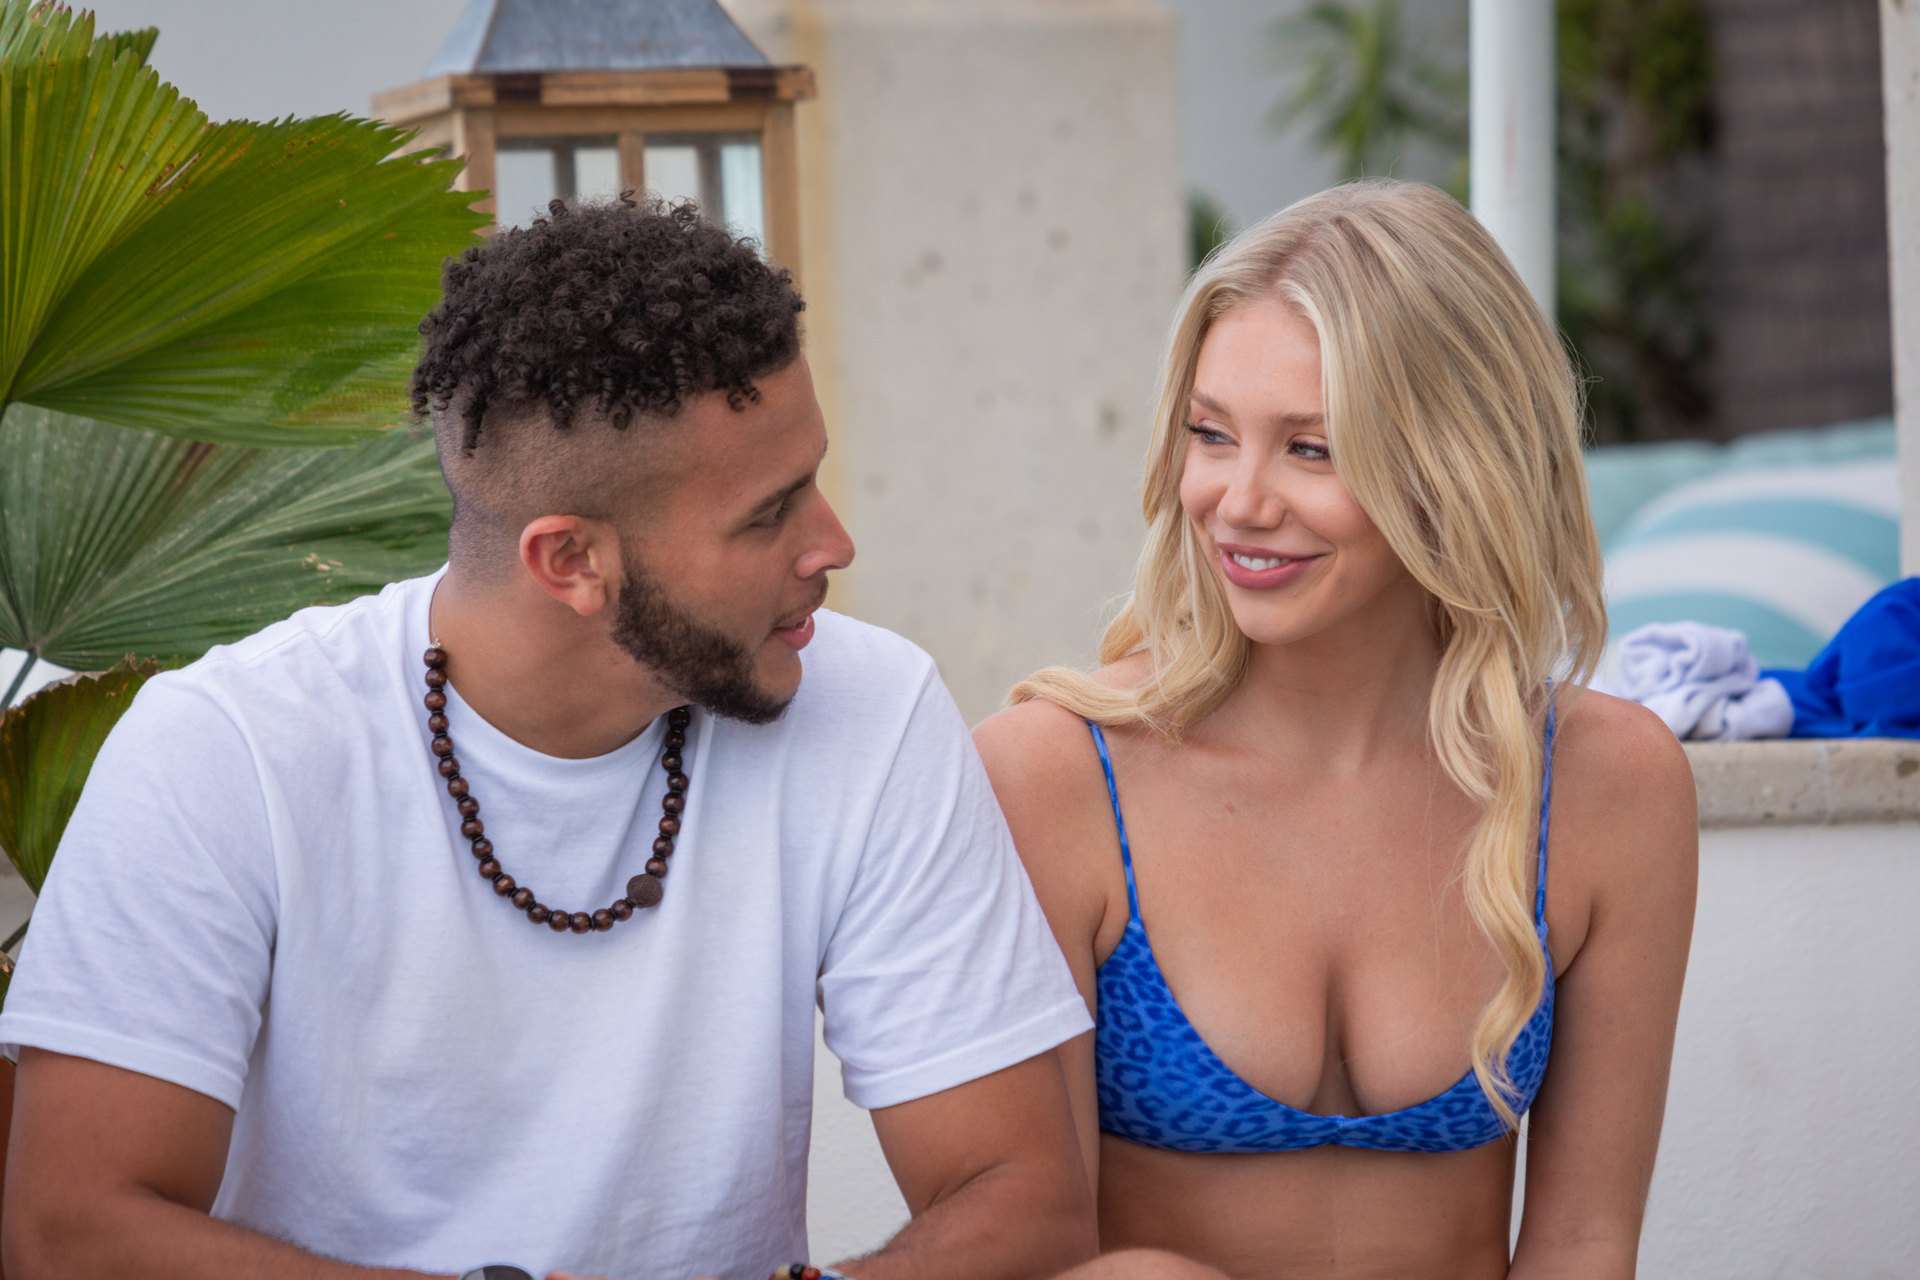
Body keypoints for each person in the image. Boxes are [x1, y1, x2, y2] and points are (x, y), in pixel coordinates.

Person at [0, 198, 1096, 1280]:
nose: (833, 543)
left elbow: (1024, 1199)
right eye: (770, 512)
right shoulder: (228, 749)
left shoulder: (870, 704)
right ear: (569, 559)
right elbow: (71, 1229)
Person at [973, 180, 1698, 1280]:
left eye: (1311, 449)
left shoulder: (1608, 785)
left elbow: (1584, 1241)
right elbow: (1037, 1252)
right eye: (1211, 434)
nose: (1237, 499)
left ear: (1459, 465)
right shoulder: (1055, 777)